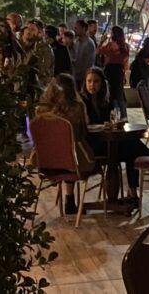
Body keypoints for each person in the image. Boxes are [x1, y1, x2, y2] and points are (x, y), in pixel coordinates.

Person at [80, 67, 149, 206]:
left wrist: (115, 123)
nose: (92, 85)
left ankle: (133, 193)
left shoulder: (105, 102)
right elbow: (85, 125)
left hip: (107, 142)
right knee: (133, 146)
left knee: (132, 150)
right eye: (89, 81)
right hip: (92, 147)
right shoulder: (82, 102)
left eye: (96, 82)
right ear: (84, 83)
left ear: (102, 84)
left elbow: (110, 119)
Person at [35, 73, 95, 214]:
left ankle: (68, 198)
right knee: (74, 151)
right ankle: (69, 198)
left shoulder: (40, 111)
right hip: (72, 164)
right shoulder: (77, 108)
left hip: (44, 163)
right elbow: (82, 134)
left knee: (66, 150)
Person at [97, 26, 130, 120]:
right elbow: (125, 61)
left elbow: (97, 51)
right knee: (119, 94)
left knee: (110, 94)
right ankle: (123, 115)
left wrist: (101, 41)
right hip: (119, 71)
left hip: (110, 70)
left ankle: (112, 115)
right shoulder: (125, 46)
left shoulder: (110, 45)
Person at [129, 49, 149, 122]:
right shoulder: (139, 65)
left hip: (142, 87)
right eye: (148, 59)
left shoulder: (142, 65)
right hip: (142, 87)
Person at [71, 19, 96, 89]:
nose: (74, 30)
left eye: (77, 28)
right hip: (76, 77)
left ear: (84, 29)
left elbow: (89, 63)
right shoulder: (76, 42)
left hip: (84, 79)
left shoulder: (89, 44)